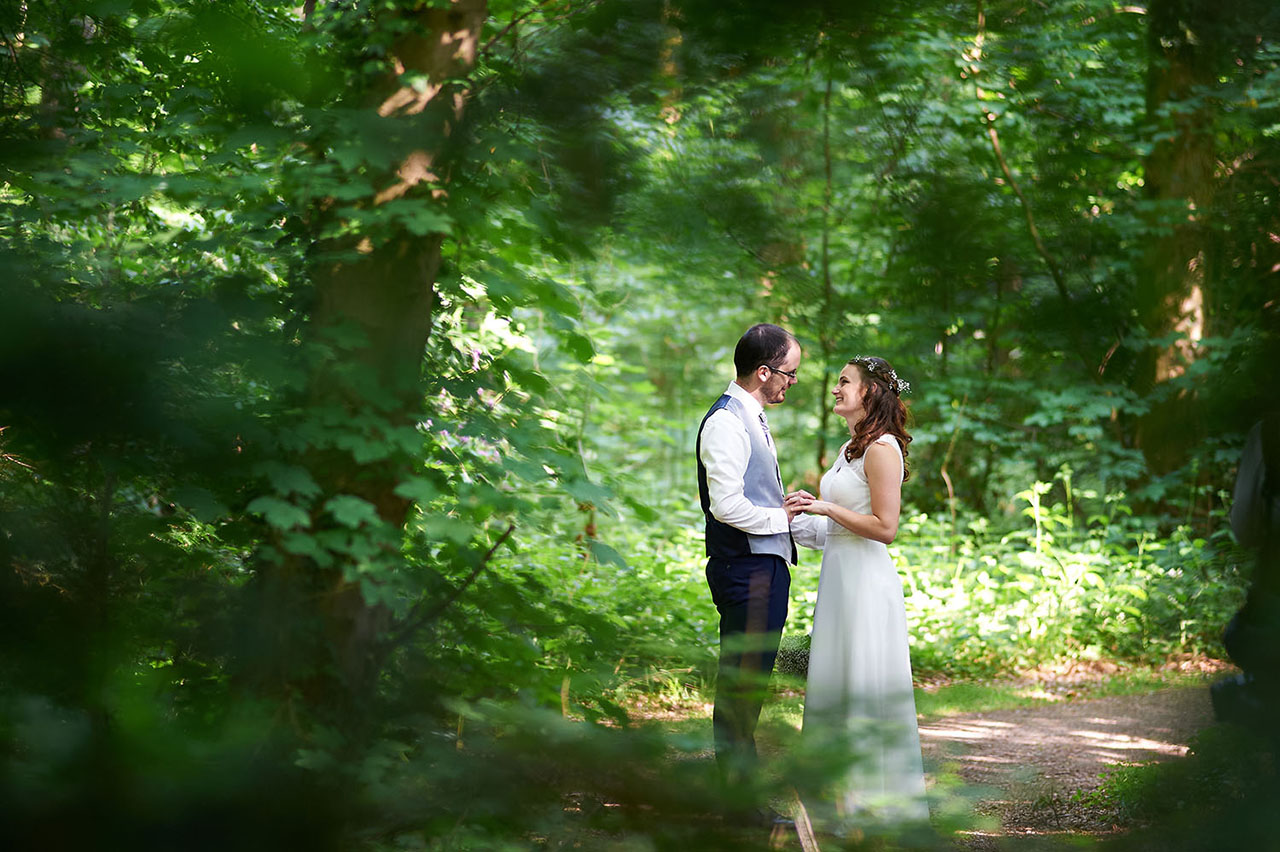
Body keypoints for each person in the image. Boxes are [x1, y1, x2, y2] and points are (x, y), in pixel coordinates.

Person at [695, 323, 825, 823]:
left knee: (749, 686)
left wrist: (787, 512)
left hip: (761, 568)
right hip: (746, 571)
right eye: (789, 373)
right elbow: (726, 505)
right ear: (764, 371)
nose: (792, 382)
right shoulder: (726, 421)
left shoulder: (752, 415)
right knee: (741, 688)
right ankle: (738, 808)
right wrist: (782, 520)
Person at [793, 356, 928, 830]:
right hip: (839, 581)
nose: (835, 389)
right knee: (835, 683)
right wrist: (793, 520)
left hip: (868, 586)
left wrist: (826, 507)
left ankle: (871, 806)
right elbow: (835, 530)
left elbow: (885, 528)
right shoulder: (851, 448)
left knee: (862, 684)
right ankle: (834, 807)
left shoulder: (882, 450)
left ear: (870, 392)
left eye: (845, 382)